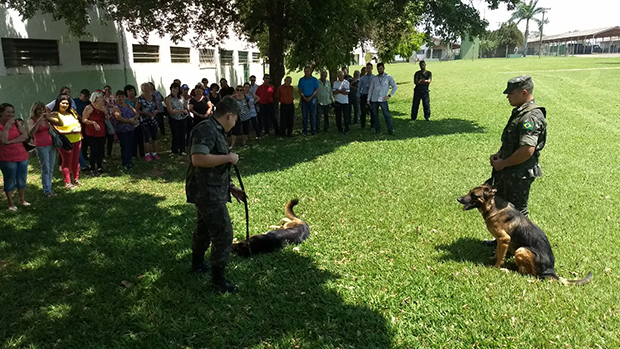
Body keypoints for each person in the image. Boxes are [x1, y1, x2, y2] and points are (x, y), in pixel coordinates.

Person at [186, 96, 246, 294]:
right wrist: (229, 157)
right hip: (207, 193)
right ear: (229, 115)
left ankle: (197, 264)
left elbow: (214, 168)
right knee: (223, 233)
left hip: (212, 189)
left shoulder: (216, 130)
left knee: (203, 229)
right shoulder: (206, 129)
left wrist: (230, 187)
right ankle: (218, 281)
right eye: (236, 119)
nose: (236, 123)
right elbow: (198, 159)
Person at [489, 76, 547, 218]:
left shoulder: (530, 117)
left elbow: (527, 150)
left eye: (511, 93)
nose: (508, 96)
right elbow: (513, 142)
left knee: (518, 213)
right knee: (504, 208)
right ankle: (502, 240)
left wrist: (503, 163)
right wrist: (500, 154)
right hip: (510, 170)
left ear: (524, 93)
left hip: (519, 172)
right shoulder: (521, 111)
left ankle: (522, 241)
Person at [48, 95, 83, 189]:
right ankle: (67, 182)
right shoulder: (55, 114)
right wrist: (70, 131)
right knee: (67, 161)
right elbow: (55, 130)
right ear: (58, 103)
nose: (65, 105)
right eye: (63, 103)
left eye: (67, 103)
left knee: (76, 161)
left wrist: (78, 129)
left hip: (77, 139)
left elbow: (78, 123)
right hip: (65, 141)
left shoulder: (72, 112)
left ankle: (76, 179)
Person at [0, 103, 30, 211]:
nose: (11, 114)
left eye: (12, 112)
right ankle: (10, 203)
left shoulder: (17, 123)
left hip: (21, 155)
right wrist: (7, 127)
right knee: (10, 179)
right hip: (6, 157)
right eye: (8, 112)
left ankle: (22, 199)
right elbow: (2, 140)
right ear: (1, 113)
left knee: (22, 178)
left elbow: (25, 136)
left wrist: (12, 141)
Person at [27, 102, 56, 197]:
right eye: (39, 109)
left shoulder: (46, 119)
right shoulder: (31, 120)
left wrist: (53, 116)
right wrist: (38, 121)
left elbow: (57, 123)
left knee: (51, 167)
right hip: (41, 145)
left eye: (42, 109)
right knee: (45, 168)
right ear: (34, 110)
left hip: (51, 144)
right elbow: (31, 133)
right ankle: (46, 190)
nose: (41, 111)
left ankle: (50, 187)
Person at [82, 91, 111, 176]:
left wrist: (105, 111)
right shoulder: (89, 107)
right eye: (100, 98)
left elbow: (108, 118)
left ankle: (100, 167)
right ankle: (92, 168)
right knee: (93, 150)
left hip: (101, 131)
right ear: (95, 99)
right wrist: (93, 123)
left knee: (100, 150)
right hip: (91, 132)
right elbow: (84, 120)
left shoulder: (103, 107)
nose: (102, 100)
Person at [367, 63, 397, 135]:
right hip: (374, 99)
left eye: (381, 68)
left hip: (383, 99)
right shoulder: (374, 78)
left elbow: (395, 86)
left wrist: (389, 95)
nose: (379, 70)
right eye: (378, 69)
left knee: (387, 115)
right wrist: (368, 99)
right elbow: (371, 89)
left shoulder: (388, 77)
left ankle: (390, 129)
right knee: (375, 116)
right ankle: (377, 130)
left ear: (384, 68)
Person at [112, 90, 139, 170]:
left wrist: (133, 118)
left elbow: (136, 113)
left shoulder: (128, 105)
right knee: (125, 146)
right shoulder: (116, 107)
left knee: (130, 145)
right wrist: (128, 121)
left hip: (131, 129)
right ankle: (126, 163)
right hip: (122, 130)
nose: (121, 98)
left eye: (122, 96)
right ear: (116, 98)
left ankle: (130, 160)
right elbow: (118, 117)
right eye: (119, 96)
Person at [136, 82, 162, 162]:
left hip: (153, 120)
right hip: (144, 120)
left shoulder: (154, 97)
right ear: (142, 89)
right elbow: (137, 110)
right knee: (146, 138)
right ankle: (147, 154)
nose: (147, 89)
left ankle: (154, 153)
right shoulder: (140, 99)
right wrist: (145, 113)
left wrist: (155, 112)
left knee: (154, 137)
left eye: (148, 88)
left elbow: (158, 108)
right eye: (145, 88)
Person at [165, 82, 189, 155]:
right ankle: (174, 150)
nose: (175, 90)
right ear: (171, 89)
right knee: (175, 134)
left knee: (182, 134)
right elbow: (170, 111)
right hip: (174, 119)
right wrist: (181, 110)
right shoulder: (168, 98)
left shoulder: (182, 97)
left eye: (177, 89)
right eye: (174, 88)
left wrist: (185, 111)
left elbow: (185, 107)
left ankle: (182, 149)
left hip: (182, 118)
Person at [125, 84, 145, 159]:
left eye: (132, 90)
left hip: (139, 120)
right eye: (129, 91)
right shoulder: (125, 101)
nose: (131, 92)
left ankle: (142, 153)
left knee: (140, 137)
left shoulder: (138, 100)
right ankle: (134, 154)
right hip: (129, 121)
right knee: (133, 139)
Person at [297, 67, 319, 136]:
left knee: (312, 115)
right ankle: (305, 130)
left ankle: (313, 130)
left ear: (310, 71)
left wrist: (311, 97)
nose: (307, 72)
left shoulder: (314, 80)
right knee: (304, 116)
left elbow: (316, 90)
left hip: (312, 98)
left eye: (308, 71)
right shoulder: (301, 80)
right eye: (305, 71)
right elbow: (300, 90)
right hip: (304, 99)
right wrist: (304, 97)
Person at [73, 89, 91, 170]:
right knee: (79, 142)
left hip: (86, 124)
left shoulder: (89, 103)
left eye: (88, 96)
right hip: (77, 124)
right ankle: (80, 161)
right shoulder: (75, 101)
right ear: (80, 95)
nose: (86, 98)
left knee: (86, 141)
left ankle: (84, 154)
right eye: (85, 96)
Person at [357, 63, 375, 129]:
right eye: (367, 68)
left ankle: (372, 125)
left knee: (372, 111)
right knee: (363, 111)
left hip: (372, 96)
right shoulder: (362, 78)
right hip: (364, 95)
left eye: (369, 68)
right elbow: (359, 87)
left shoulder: (374, 78)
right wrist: (358, 96)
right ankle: (363, 125)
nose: (368, 69)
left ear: (372, 68)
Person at [103, 85, 118, 158]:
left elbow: (116, 105)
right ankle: (104, 153)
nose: (107, 91)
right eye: (106, 90)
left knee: (112, 132)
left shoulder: (114, 97)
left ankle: (109, 152)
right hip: (106, 117)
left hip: (114, 116)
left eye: (108, 89)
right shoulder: (103, 98)